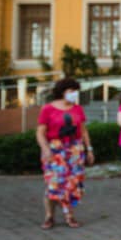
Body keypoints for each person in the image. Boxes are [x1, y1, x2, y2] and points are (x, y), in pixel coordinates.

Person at [36, 78, 92, 229]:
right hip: (55, 149)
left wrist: (89, 149)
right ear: (63, 92)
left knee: (71, 184)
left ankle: (69, 216)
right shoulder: (48, 109)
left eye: (75, 91)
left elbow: (83, 130)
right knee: (54, 184)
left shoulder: (77, 109)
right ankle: (49, 216)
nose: (74, 94)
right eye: (71, 91)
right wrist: (46, 149)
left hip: (74, 150)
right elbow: (40, 133)